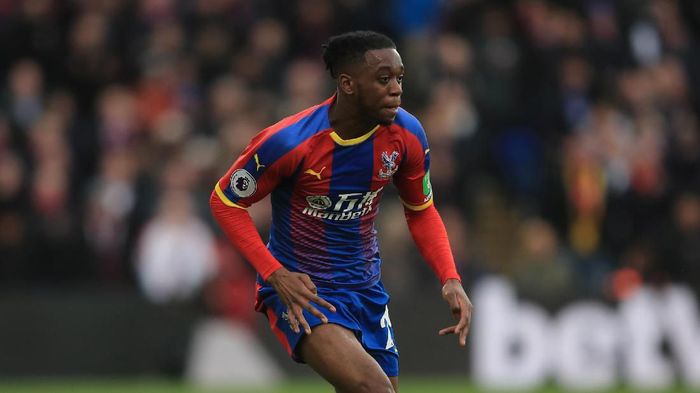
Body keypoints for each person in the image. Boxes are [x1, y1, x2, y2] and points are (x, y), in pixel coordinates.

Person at [210, 30, 472, 393]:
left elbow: (421, 210)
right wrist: (275, 274)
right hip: (305, 291)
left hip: (366, 289)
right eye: (383, 80)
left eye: (399, 78)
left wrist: (450, 277)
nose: (396, 88)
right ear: (348, 84)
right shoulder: (290, 142)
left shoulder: (407, 135)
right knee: (374, 390)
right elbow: (225, 202)